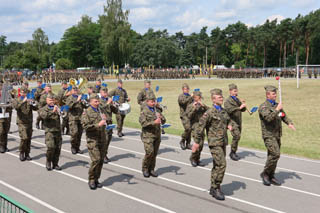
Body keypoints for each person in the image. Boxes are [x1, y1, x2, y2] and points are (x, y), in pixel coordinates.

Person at [194, 89, 232, 201]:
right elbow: (200, 127)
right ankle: (216, 187)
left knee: (217, 165)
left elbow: (228, 120)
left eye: (221, 96)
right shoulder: (209, 113)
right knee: (222, 164)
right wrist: (196, 142)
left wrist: (229, 125)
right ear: (213, 99)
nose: (221, 98)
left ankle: (213, 186)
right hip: (214, 143)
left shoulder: (223, 111)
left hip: (223, 142)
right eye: (219, 97)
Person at [258, 85, 296, 186]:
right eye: (273, 94)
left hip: (277, 134)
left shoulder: (276, 105)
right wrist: (277, 109)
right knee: (275, 154)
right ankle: (265, 173)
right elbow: (268, 118)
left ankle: (271, 175)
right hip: (268, 135)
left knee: (273, 156)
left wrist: (289, 123)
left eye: (275, 93)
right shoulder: (263, 107)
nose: (275, 95)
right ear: (268, 95)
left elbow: (282, 115)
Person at [81, 94, 108, 190]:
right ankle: (91, 179)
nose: (98, 103)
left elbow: (105, 121)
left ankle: (97, 179)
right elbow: (85, 126)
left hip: (102, 138)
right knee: (96, 160)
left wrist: (105, 120)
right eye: (95, 101)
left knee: (100, 161)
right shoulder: (86, 112)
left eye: (98, 101)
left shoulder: (101, 110)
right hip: (93, 139)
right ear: (90, 102)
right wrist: (98, 125)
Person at [139, 93, 166, 178]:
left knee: (154, 153)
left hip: (157, 135)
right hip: (148, 135)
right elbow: (143, 123)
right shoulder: (144, 111)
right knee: (149, 152)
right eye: (151, 101)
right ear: (147, 102)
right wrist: (154, 122)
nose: (153, 103)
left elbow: (164, 120)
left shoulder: (157, 110)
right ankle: (145, 168)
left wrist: (161, 118)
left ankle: (151, 169)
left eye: (154, 101)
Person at [12, 86, 38, 161]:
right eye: (22, 92)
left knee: (29, 139)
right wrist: (23, 101)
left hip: (29, 122)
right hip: (21, 122)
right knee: (24, 138)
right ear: (20, 92)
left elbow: (36, 108)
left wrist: (33, 102)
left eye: (25, 92)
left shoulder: (29, 100)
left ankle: (27, 154)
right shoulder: (17, 100)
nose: (23, 93)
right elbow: (16, 107)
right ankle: (21, 152)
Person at [39, 94, 62, 171]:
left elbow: (64, 115)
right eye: (50, 100)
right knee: (51, 147)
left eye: (52, 100)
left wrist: (61, 111)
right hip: (49, 131)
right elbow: (44, 116)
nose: (51, 101)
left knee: (58, 149)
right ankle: (48, 161)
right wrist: (53, 111)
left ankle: (55, 164)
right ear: (46, 100)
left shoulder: (56, 107)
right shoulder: (43, 109)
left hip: (58, 130)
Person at [224, 84, 247, 161]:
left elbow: (242, 110)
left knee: (238, 136)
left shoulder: (237, 99)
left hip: (238, 121)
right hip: (231, 121)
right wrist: (239, 107)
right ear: (230, 91)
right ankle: (232, 153)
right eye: (234, 91)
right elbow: (229, 110)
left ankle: (234, 151)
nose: (236, 92)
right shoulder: (228, 101)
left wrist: (244, 106)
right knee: (236, 136)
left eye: (236, 91)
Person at [186, 91, 208, 167]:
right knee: (197, 144)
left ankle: (197, 159)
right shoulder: (190, 106)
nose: (200, 98)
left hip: (202, 127)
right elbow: (189, 116)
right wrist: (194, 108)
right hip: (195, 127)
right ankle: (193, 158)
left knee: (201, 145)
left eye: (200, 97)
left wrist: (204, 106)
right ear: (195, 97)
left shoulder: (202, 105)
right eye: (199, 97)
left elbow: (210, 111)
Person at [99, 87, 118, 163]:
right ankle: (102, 155)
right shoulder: (99, 101)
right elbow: (101, 108)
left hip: (109, 122)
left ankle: (104, 154)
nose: (106, 94)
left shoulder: (108, 100)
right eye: (104, 92)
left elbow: (115, 111)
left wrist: (114, 105)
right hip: (104, 122)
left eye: (106, 92)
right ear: (101, 93)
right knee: (105, 140)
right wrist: (108, 103)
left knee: (109, 139)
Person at [66, 86, 86, 154]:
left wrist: (84, 101)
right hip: (73, 118)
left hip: (80, 118)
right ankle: (73, 146)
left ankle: (77, 147)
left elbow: (86, 106)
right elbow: (69, 106)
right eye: (74, 90)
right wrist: (77, 100)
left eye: (76, 90)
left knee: (79, 134)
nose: (75, 91)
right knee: (74, 133)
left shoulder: (80, 97)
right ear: (71, 91)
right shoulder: (69, 98)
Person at [178, 83, 193, 150]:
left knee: (190, 130)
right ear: (182, 90)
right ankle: (182, 140)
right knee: (188, 128)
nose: (186, 90)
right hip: (184, 115)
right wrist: (190, 97)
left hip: (190, 115)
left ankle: (188, 144)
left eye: (187, 89)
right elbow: (183, 103)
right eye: (185, 89)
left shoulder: (190, 96)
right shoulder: (181, 96)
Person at [0, 83, 13, 154]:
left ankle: (5, 146)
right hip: (0, 115)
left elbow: (12, 104)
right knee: (1, 131)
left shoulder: (8, 95)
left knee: (5, 131)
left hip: (7, 114)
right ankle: (1, 146)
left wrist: (10, 104)